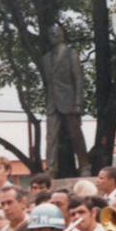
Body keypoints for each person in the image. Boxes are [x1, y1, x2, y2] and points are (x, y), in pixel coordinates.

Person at [40, 23, 88, 177]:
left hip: (69, 101)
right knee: (51, 136)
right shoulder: (46, 59)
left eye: (55, 34)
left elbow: (78, 78)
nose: (52, 37)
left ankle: (84, 165)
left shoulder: (71, 54)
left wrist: (78, 103)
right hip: (52, 102)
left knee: (75, 135)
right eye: (50, 34)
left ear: (62, 35)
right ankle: (51, 168)